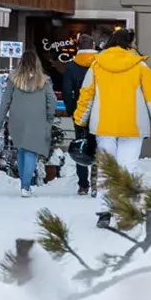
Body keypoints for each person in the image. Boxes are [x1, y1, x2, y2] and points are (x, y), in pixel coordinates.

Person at [74, 28, 151, 168]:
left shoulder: (97, 65)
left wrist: (80, 120)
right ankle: (124, 190)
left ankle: (104, 191)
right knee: (127, 169)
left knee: (106, 170)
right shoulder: (141, 67)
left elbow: (86, 95)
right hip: (133, 125)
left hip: (103, 124)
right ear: (130, 44)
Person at [0, 48, 56, 197]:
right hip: (37, 120)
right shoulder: (44, 81)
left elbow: (5, 102)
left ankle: (24, 184)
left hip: (17, 120)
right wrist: (49, 119)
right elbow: (52, 101)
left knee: (21, 150)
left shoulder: (13, 80)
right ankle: (26, 186)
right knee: (31, 152)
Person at [62, 34, 98, 195]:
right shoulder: (100, 63)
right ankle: (97, 182)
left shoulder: (71, 66)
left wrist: (71, 111)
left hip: (80, 111)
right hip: (99, 111)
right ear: (94, 45)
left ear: (78, 47)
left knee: (80, 146)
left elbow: (66, 91)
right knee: (100, 146)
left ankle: (83, 184)